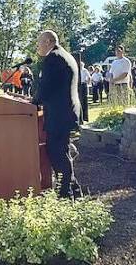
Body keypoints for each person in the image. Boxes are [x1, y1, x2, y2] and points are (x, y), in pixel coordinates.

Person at [32, 30, 81, 199]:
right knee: (62, 152)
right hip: (66, 112)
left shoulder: (53, 58)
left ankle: (65, 195)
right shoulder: (65, 55)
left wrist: (33, 102)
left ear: (48, 41)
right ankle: (74, 191)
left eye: (39, 43)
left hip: (60, 115)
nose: (37, 46)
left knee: (57, 154)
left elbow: (46, 87)